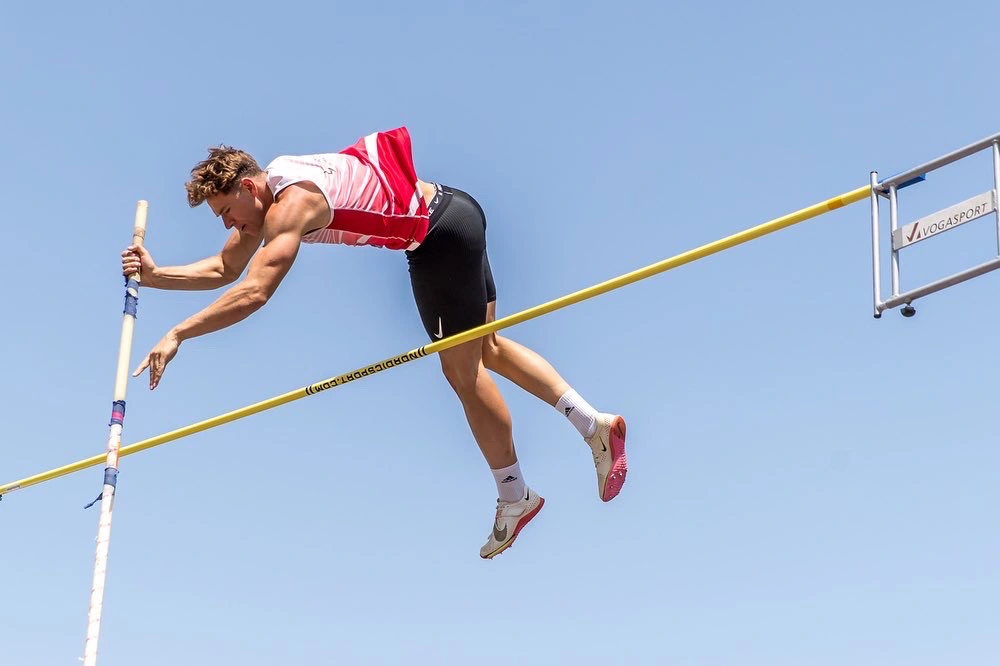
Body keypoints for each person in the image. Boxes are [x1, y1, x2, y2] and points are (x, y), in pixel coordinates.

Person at [122, 126, 627, 558]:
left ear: (250, 188)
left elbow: (253, 290)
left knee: (461, 370)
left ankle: (514, 495)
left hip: (435, 239)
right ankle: (593, 424)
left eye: (226, 212)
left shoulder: (289, 206)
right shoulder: (275, 190)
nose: (228, 225)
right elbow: (224, 267)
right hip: (456, 211)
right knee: (486, 349)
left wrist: (178, 333)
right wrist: (156, 274)